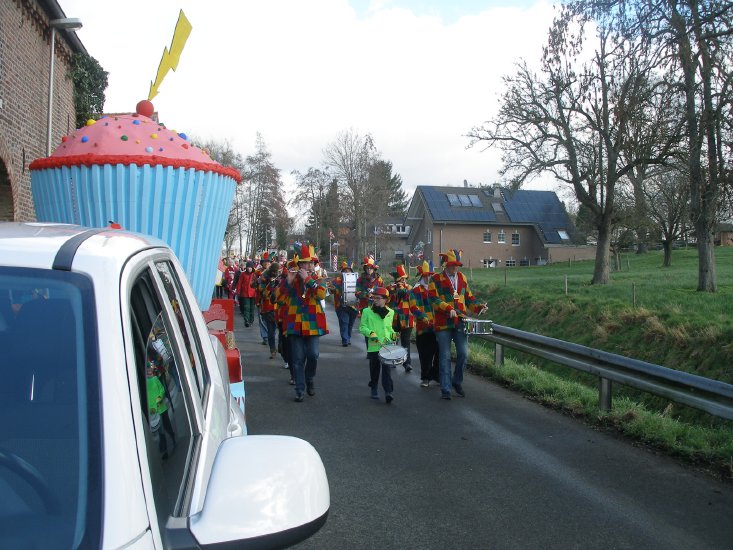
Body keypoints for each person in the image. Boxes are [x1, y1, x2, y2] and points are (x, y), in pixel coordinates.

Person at [429, 249, 487, 400]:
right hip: (443, 324)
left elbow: (469, 298)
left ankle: (456, 381)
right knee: (445, 356)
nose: (455, 268)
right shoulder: (435, 279)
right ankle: (446, 388)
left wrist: (479, 307)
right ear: (446, 264)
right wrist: (447, 308)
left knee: (463, 354)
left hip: (460, 322)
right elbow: (433, 300)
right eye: (452, 265)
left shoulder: (462, 278)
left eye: (457, 265)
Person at [277, 244, 328, 402]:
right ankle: (299, 389)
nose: (309, 266)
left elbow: (320, 295)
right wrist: (287, 281)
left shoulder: (319, 279)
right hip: (295, 323)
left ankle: (310, 379)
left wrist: (308, 279)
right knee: (297, 358)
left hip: (313, 324)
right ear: (299, 265)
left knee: (313, 355)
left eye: (311, 263)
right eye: (305, 263)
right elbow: (279, 299)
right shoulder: (291, 280)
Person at [359, 286, 399, 403]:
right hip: (373, 345)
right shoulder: (367, 311)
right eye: (374, 298)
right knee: (374, 369)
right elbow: (362, 327)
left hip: (386, 345)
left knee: (387, 369)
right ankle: (374, 387)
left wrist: (394, 336)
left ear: (385, 299)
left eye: (378, 298)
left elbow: (389, 328)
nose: (375, 300)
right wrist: (370, 333)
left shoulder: (390, 312)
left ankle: (388, 392)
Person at [410, 260, 440, 387]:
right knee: (425, 355)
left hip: (438, 327)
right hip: (424, 327)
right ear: (424, 276)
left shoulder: (437, 289)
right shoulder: (416, 290)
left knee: (439, 353)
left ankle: (436, 375)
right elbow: (413, 307)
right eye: (428, 275)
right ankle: (426, 377)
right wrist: (422, 317)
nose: (430, 277)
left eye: (431, 275)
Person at [387, 264, 414, 372]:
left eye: (404, 279)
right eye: (400, 279)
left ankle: (407, 363)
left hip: (407, 319)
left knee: (405, 342)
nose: (403, 281)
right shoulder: (390, 288)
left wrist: (401, 287)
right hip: (393, 318)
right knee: (393, 340)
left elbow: (406, 295)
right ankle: (392, 360)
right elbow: (387, 300)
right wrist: (393, 290)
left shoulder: (410, 288)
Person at [332, 260, 358, 347]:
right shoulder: (337, 280)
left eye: (349, 270)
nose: (347, 272)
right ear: (342, 271)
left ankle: (348, 337)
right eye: (345, 270)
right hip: (341, 305)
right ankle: (345, 340)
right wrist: (338, 289)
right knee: (344, 322)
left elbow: (360, 290)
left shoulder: (356, 280)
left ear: (352, 271)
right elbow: (331, 289)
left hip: (354, 306)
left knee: (350, 324)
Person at [254, 252, 273, 346]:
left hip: (271, 300)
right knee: (261, 319)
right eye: (265, 262)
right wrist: (257, 281)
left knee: (271, 320)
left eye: (268, 262)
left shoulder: (274, 273)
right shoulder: (257, 272)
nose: (267, 264)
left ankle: (270, 336)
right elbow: (252, 284)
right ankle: (265, 337)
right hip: (260, 299)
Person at [235, 261, 257, 326]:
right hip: (245, 293)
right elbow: (239, 283)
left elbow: (256, 284)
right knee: (246, 307)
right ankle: (246, 320)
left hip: (252, 293)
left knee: (251, 308)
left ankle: (251, 320)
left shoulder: (254, 275)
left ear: (252, 268)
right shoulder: (243, 274)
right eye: (248, 267)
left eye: (250, 267)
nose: (249, 269)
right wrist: (238, 291)